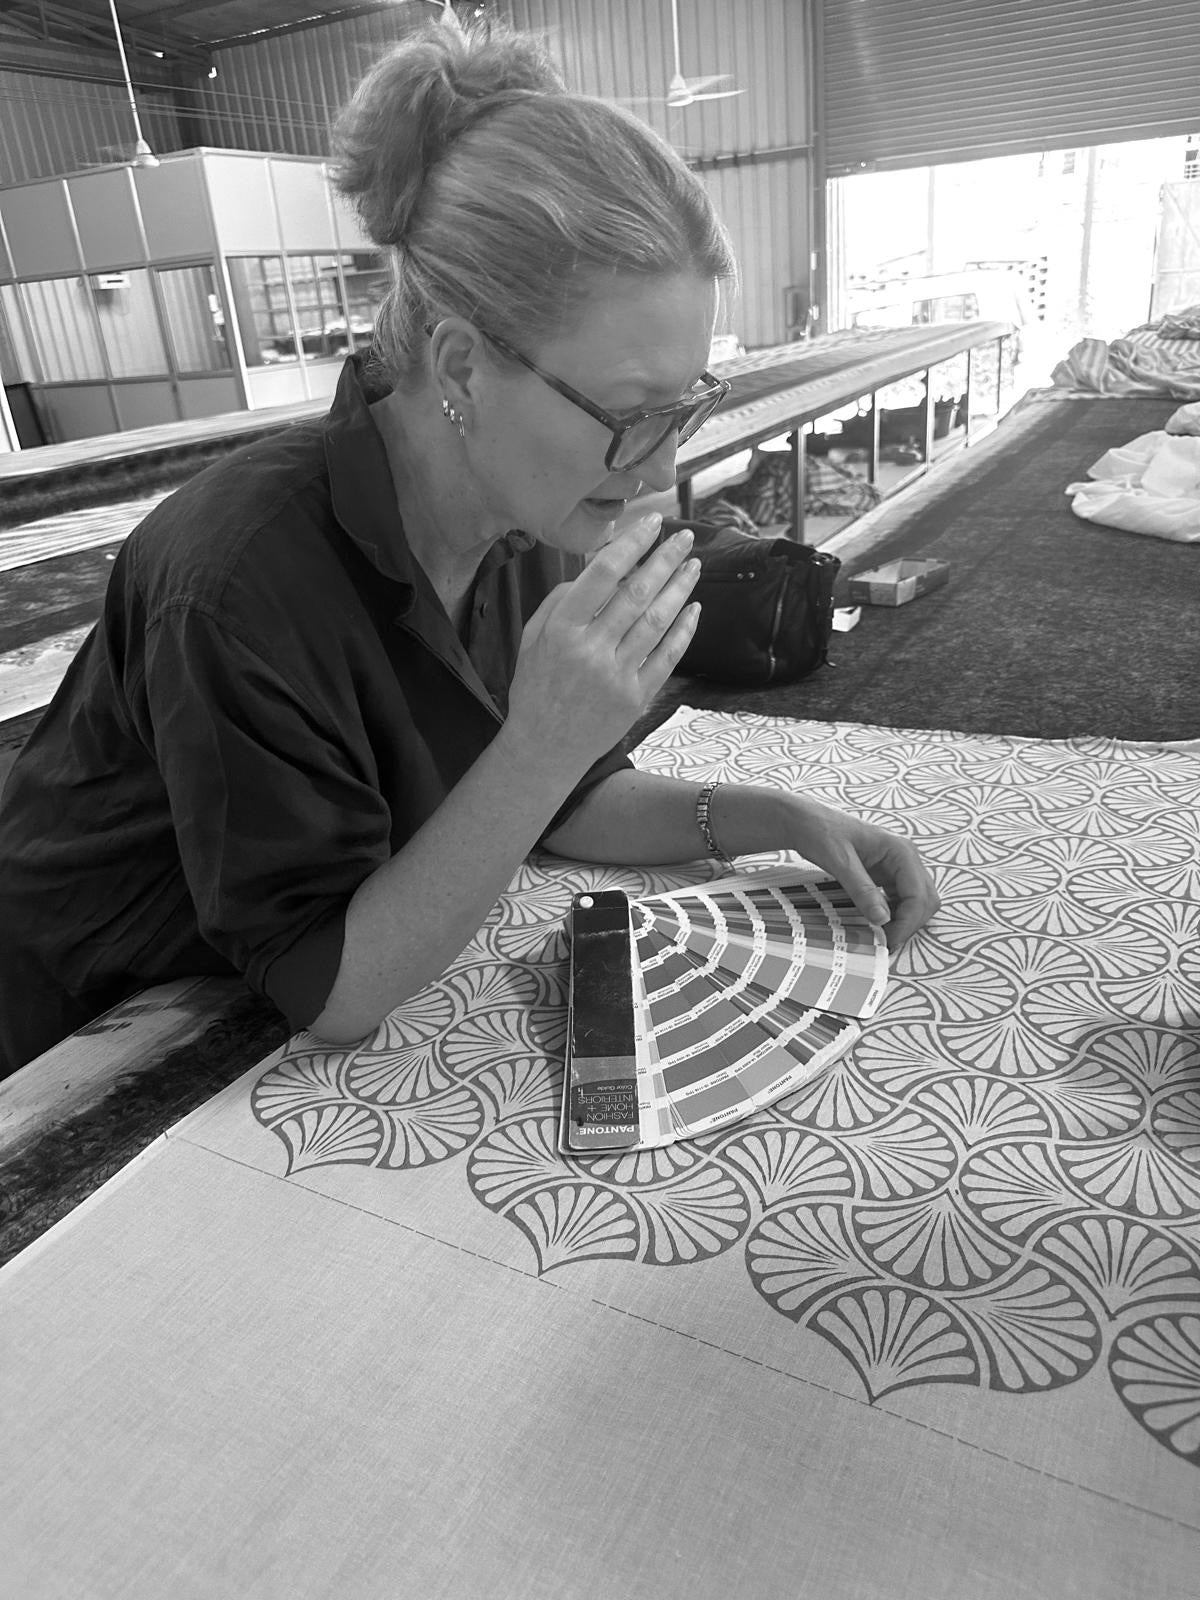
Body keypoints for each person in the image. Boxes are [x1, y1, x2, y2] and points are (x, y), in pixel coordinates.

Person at [0, 19, 938, 1079]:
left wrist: (780, 821)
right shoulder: (239, 582)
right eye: (631, 413)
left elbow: (566, 799)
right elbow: (333, 986)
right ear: (459, 367)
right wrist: (539, 744)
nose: (662, 465)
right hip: (86, 1030)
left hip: (248, 983)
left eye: (686, 406)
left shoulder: (525, 515)